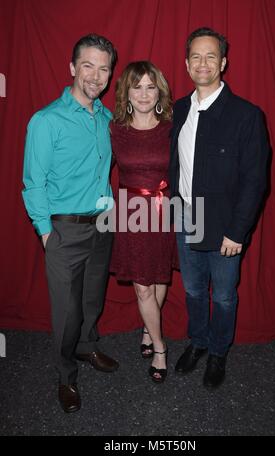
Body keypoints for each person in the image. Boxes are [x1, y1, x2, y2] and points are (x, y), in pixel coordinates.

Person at [22, 34, 119, 413]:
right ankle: (66, 376)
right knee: (66, 311)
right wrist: (47, 234)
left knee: (92, 299)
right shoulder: (46, 120)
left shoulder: (108, 119)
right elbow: (33, 183)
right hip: (64, 229)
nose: (96, 75)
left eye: (104, 68)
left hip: (103, 225)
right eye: (88, 65)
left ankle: (86, 347)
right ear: (72, 68)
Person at [169, 27, 269, 388]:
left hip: (227, 227)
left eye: (211, 56)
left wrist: (237, 231)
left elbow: (255, 180)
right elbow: (174, 164)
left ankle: (218, 352)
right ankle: (197, 343)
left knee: (224, 294)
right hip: (187, 219)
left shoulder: (246, 115)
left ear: (223, 62)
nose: (203, 63)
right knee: (194, 290)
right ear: (186, 63)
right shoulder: (179, 108)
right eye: (196, 56)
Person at [110, 61, 175, 383]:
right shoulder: (115, 130)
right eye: (137, 87)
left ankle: (149, 332)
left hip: (165, 210)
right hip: (131, 213)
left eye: (151, 86)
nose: (144, 94)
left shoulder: (172, 127)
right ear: (127, 92)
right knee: (142, 286)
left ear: (159, 91)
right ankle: (160, 348)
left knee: (160, 276)